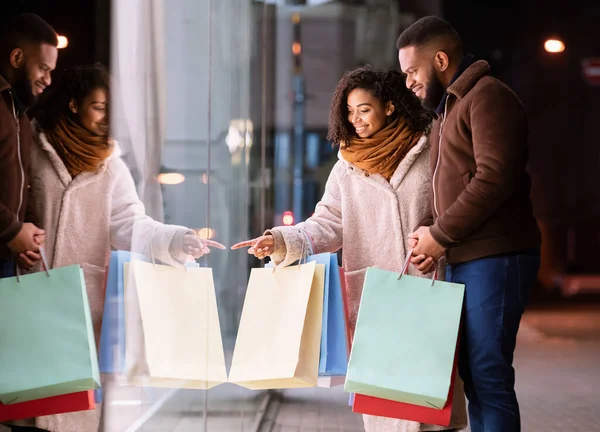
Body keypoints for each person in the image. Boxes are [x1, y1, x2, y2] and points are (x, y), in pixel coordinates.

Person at [232, 66, 467, 432]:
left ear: (389, 106)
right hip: (374, 301)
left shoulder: (429, 148)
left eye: (364, 109)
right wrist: (280, 240)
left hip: (426, 289)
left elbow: (452, 205)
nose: (355, 120)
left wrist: (438, 237)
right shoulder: (347, 166)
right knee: (385, 410)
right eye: (349, 112)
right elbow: (327, 222)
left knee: (431, 409)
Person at [3, 64, 225, 432]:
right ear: (74, 105)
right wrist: (14, 239)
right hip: (28, 292)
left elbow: (129, 223)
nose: (109, 118)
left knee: (71, 413)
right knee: (23, 411)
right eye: (100, 106)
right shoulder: (32, 145)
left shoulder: (110, 164)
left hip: (82, 306)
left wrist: (175, 239)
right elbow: (12, 204)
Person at [397, 16, 541, 432]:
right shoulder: (446, 111)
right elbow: (450, 189)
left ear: (440, 59)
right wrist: (427, 232)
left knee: (487, 375)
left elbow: (494, 177)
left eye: (412, 71)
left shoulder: (487, 97)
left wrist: (440, 236)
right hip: (468, 256)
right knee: (476, 378)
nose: (408, 83)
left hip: (497, 256)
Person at [0, 13, 58, 278]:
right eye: (43, 68)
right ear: (16, 58)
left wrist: (20, 238)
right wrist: (12, 231)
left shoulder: (20, 115)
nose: (48, 80)